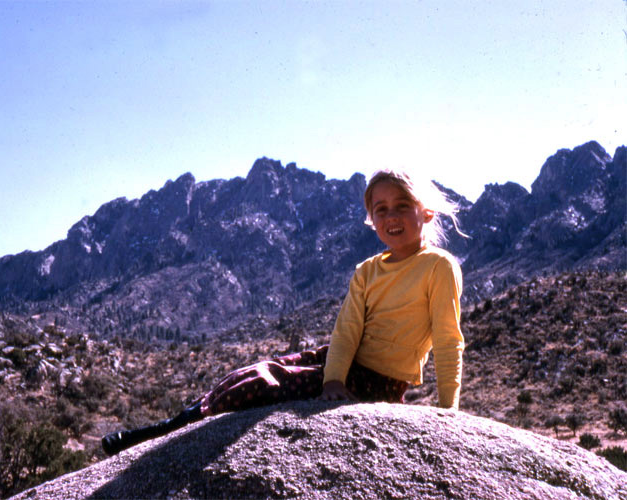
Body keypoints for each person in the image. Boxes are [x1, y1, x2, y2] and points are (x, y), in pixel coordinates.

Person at [102, 168, 466, 456]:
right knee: (249, 374)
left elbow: (449, 340)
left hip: (376, 382)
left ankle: (159, 435)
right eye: (380, 209)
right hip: (339, 364)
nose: (391, 216)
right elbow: (347, 331)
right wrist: (333, 379)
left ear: (426, 211)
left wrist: (449, 413)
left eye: (402, 205)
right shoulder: (367, 270)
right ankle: (165, 428)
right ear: (371, 219)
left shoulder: (438, 266)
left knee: (263, 386)